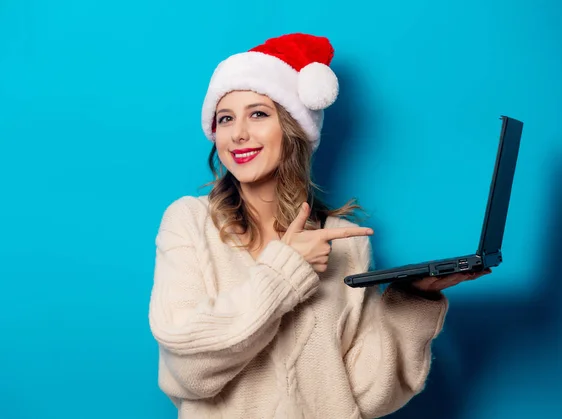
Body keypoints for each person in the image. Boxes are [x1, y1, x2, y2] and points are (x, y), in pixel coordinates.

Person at [148, 33, 491, 419]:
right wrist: (284, 270)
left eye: (258, 113)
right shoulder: (189, 222)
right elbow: (189, 371)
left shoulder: (343, 242)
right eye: (226, 118)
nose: (238, 132)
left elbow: (365, 394)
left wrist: (412, 301)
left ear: (293, 128)